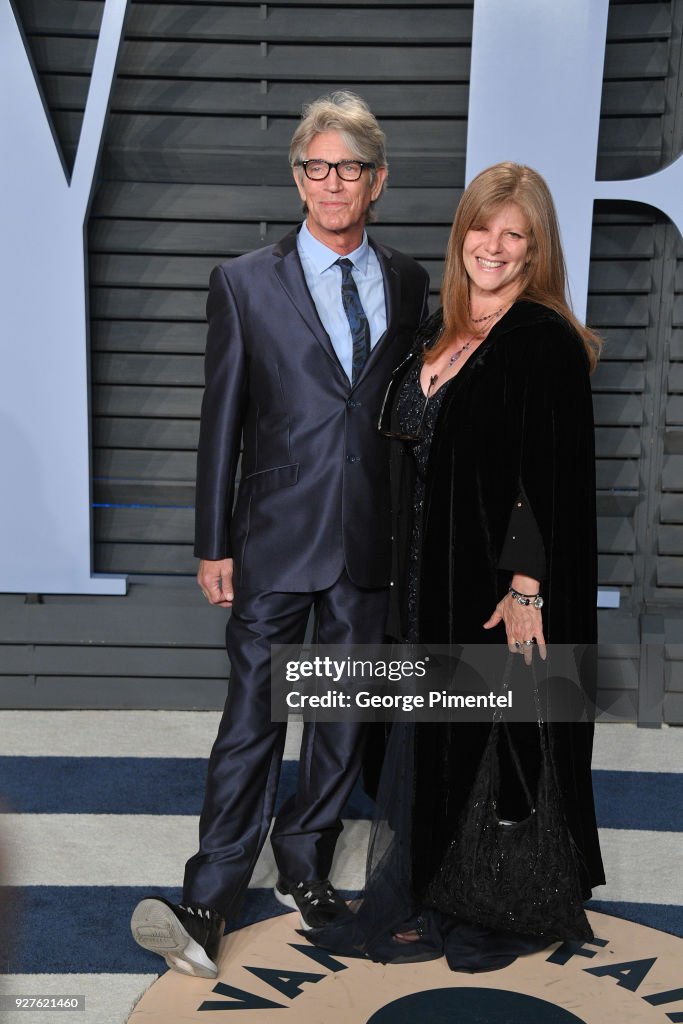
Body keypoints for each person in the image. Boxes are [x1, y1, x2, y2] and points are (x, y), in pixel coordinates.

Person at [129, 91, 430, 979]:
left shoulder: (411, 280)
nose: (329, 183)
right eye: (314, 167)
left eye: (347, 168)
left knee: (339, 715)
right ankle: (212, 892)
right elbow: (220, 417)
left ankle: (305, 863)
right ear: (296, 177)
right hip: (269, 537)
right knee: (251, 719)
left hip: (368, 539)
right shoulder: (242, 280)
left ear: (376, 180)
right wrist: (211, 540)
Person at [308, 161, 606, 971]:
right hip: (420, 576)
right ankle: (434, 887)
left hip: (489, 581)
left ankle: (495, 906)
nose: (495, 246)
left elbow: (550, 476)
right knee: (430, 730)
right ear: (461, 232)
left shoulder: (540, 339)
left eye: (517, 235)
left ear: (537, 249)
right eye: (483, 227)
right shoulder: (438, 330)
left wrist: (525, 587)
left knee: (495, 738)